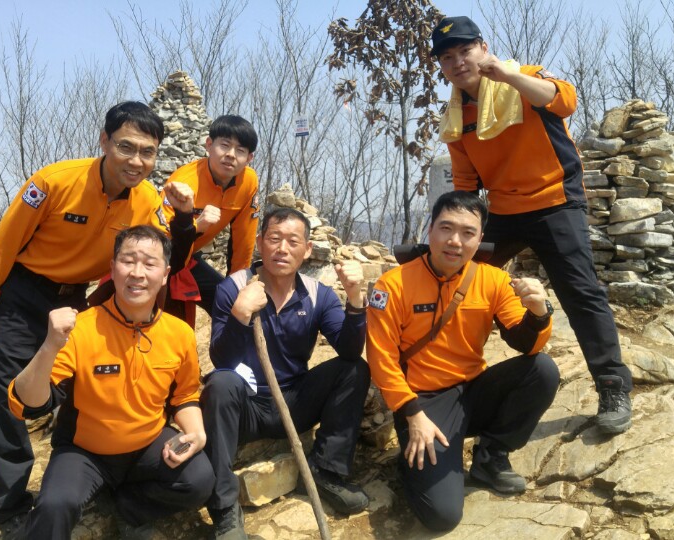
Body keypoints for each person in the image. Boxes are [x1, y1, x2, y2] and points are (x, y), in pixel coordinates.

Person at [0, 101, 197, 536]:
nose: (136, 161)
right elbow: (5, 241)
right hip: (21, 294)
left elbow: (164, 261)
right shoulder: (55, 181)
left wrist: (184, 220)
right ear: (104, 141)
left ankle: (78, 471)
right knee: (7, 400)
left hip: (75, 299)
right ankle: (12, 506)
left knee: (74, 383)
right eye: (126, 147)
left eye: (148, 152)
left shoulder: (146, 200)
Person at [432, 15, 633, 434]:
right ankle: (444, 378)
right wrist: (457, 230)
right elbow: (466, 181)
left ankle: (613, 385)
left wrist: (509, 76)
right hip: (503, 210)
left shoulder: (523, 78)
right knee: (456, 278)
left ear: (483, 48)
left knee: (580, 292)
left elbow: (565, 101)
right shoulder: (455, 116)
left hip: (555, 201)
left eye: (465, 51)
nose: (458, 62)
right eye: (447, 57)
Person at [366, 191, 560, 531]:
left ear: (480, 238)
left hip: (474, 389)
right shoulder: (393, 285)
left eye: (468, 232)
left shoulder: (493, 280)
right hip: (424, 402)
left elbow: (525, 344)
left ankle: (491, 457)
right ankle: (412, 468)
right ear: (430, 230)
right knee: (441, 516)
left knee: (542, 370)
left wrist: (539, 313)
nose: (455, 241)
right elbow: (381, 359)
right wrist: (412, 414)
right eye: (446, 228)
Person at [7, 225, 214, 539]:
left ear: (165, 274)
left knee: (199, 480)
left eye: (149, 263)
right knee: (55, 506)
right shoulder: (81, 328)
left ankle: (126, 508)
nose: (137, 273)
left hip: (148, 446)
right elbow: (26, 405)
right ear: (112, 268)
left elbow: (184, 396)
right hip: (85, 453)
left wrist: (196, 432)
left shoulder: (179, 333)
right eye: (128, 261)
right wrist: (49, 346)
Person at [201, 207, 371, 540]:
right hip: (245, 406)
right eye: (274, 238)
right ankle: (224, 509)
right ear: (260, 243)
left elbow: (349, 351)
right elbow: (221, 359)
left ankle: (327, 472)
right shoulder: (233, 288)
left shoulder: (317, 294)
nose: (282, 249)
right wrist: (240, 313)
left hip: (294, 402)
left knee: (353, 369)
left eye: (293, 241)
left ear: (307, 250)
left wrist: (355, 300)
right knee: (220, 382)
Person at [161, 115, 260, 326]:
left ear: (249, 158)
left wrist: (238, 284)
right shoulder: (184, 181)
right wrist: (197, 226)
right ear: (209, 145)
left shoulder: (248, 181)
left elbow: (244, 238)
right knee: (170, 324)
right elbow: (163, 242)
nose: (231, 155)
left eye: (240, 150)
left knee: (232, 307)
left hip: (190, 259)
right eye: (224, 145)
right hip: (161, 260)